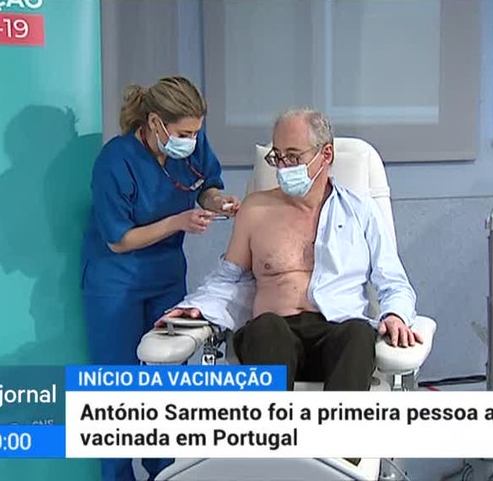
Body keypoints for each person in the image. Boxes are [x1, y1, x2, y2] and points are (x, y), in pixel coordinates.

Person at [156, 107, 422, 391]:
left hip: (338, 331)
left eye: (293, 157)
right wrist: (197, 307)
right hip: (273, 334)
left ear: (326, 155)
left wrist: (395, 314)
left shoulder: (361, 211)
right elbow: (228, 279)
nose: (283, 167)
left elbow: (393, 281)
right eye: (278, 157)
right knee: (267, 328)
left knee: (358, 333)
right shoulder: (255, 210)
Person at [80, 76, 239, 481]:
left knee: (166, 387)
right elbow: (118, 240)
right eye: (184, 133)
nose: (192, 140)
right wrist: (178, 222)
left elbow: (205, 184)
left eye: (196, 132)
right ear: (155, 123)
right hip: (116, 283)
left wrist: (217, 201)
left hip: (166, 277)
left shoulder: (190, 143)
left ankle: (166, 473)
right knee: (116, 395)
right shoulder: (114, 161)